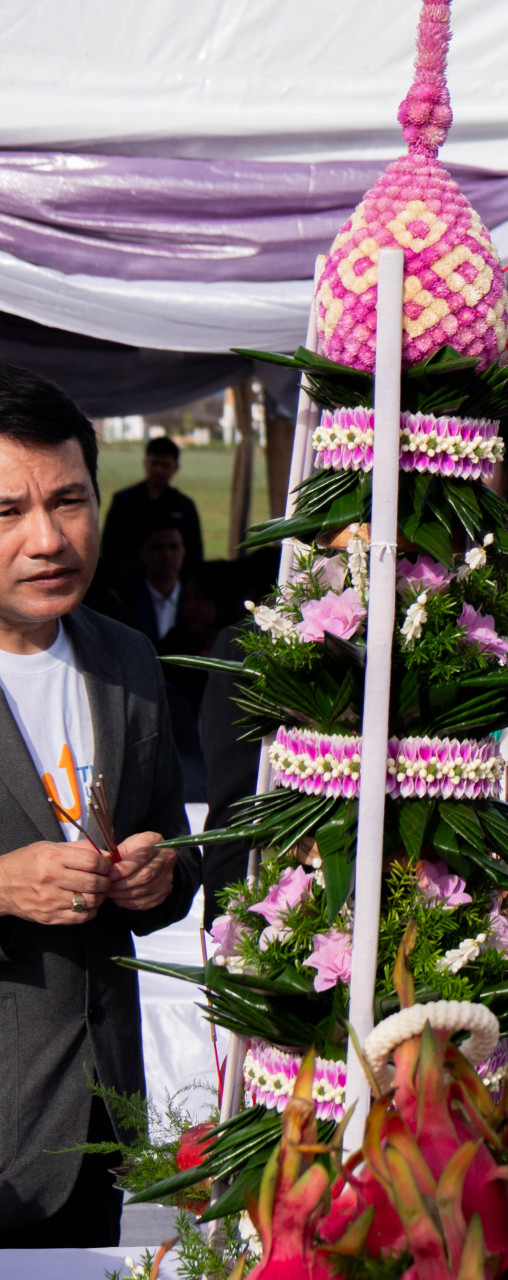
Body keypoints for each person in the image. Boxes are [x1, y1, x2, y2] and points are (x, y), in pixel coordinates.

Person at [196, 417, 508, 1191]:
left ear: (504, 485)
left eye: (463, 474)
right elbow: (231, 869)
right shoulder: (281, 648)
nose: (433, 503)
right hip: (343, 1084)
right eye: (407, 475)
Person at [0, 363, 198, 1247]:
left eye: (68, 501)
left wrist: (162, 874)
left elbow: (182, 848)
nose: (47, 539)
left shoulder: (127, 658)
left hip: (96, 1121)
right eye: (7, 512)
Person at [101, 435, 203, 590]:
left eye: (165, 465)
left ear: (175, 467)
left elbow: (194, 553)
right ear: (145, 463)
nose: (158, 470)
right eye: (154, 463)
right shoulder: (124, 501)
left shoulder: (184, 506)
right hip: (128, 585)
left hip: (170, 588)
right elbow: (109, 547)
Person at [123, 519, 187, 646]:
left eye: (173, 547)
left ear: (183, 551)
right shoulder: (126, 602)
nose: (167, 554)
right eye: (158, 547)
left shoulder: (194, 603)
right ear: (143, 552)